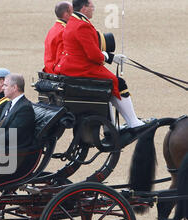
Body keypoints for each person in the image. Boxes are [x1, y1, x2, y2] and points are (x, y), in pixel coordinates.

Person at [54, 0, 154, 134]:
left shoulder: (72, 21)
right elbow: (93, 55)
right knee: (118, 83)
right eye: (91, 6)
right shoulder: (82, 25)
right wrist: (110, 57)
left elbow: (86, 50)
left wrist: (110, 56)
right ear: (84, 8)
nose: (93, 9)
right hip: (81, 68)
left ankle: (111, 126)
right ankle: (133, 122)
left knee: (108, 87)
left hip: (73, 66)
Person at [0, 73, 36, 149]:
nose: (2, 88)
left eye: (5, 85)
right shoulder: (10, 103)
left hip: (11, 152)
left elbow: (12, 136)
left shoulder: (25, 108)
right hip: (1, 146)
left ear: (14, 88)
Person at [43, 1, 73, 73]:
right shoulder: (64, 32)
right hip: (56, 73)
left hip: (49, 69)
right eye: (73, 12)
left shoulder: (53, 29)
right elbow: (62, 58)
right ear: (66, 14)